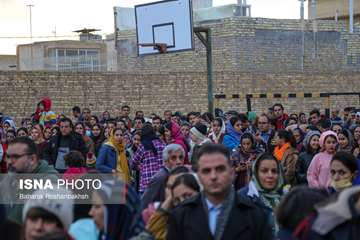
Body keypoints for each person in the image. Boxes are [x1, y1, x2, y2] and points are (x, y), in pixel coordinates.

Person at [167, 143, 272, 240]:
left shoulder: (255, 215)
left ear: (231, 172)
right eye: (206, 171)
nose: (213, 176)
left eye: (220, 169)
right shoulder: (181, 215)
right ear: (198, 175)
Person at [2, 137, 58, 224]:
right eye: (8, 156)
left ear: (32, 159)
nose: (9, 161)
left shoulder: (50, 181)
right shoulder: (10, 178)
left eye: (15, 157)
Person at [239, 153, 284, 237]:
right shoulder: (243, 198)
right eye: (264, 171)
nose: (270, 175)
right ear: (256, 173)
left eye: (274, 171)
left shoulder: (284, 197)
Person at [146, 173, 200, 240]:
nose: (182, 202)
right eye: (177, 200)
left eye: (187, 196)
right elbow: (153, 231)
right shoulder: (175, 224)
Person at [141, 144, 186, 209]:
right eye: (173, 158)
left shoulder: (180, 174)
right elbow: (144, 204)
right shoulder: (160, 178)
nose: (178, 161)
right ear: (165, 161)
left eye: (181, 157)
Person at [131, 123, 166, 194]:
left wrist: (140, 167)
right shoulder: (162, 144)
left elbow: (133, 162)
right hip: (162, 182)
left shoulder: (143, 146)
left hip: (147, 182)